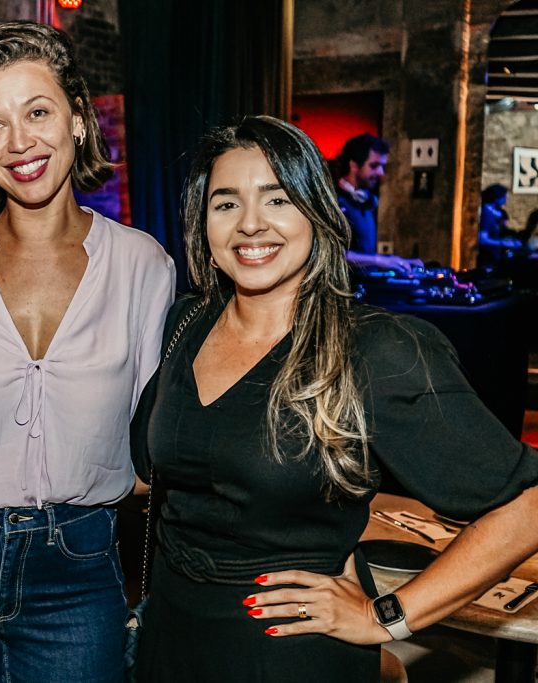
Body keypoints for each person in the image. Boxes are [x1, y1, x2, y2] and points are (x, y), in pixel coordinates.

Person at [132, 115, 538, 682]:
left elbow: (526, 507)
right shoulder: (188, 322)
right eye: (226, 204)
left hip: (289, 656)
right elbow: (149, 471)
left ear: (315, 212)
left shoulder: (376, 350)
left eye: (276, 199)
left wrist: (387, 616)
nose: (250, 224)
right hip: (170, 643)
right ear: (203, 225)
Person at [0, 21, 175, 683]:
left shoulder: (143, 266)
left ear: (77, 119)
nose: (19, 142)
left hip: (79, 572)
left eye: (38, 112)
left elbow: (152, 452)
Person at [336, 133, 421, 274]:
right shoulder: (333, 200)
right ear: (354, 165)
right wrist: (379, 260)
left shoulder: (367, 201)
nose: (381, 173)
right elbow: (333, 253)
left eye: (382, 166)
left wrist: (396, 261)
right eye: (374, 166)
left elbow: (364, 253)